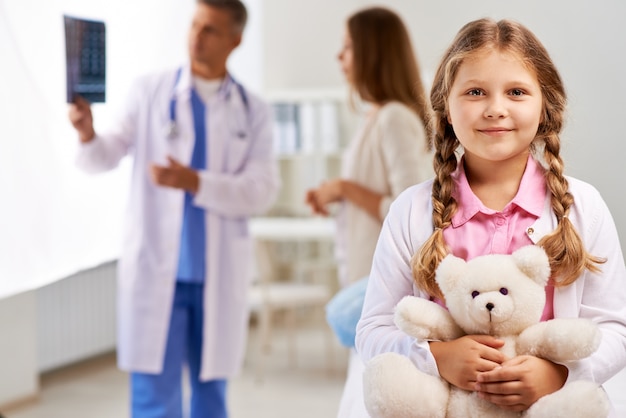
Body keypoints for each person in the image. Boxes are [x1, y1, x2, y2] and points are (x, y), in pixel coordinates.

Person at [356, 17, 626, 416]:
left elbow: (615, 331)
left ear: (545, 106)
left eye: (516, 92)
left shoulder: (584, 207)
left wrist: (557, 375)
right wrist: (438, 357)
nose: (495, 109)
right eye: (475, 92)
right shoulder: (411, 212)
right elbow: (373, 331)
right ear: (446, 108)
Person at [67, 1, 280, 417]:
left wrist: (195, 182)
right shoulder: (149, 91)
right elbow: (104, 156)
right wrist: (88, 134)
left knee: (210, 395)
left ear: (235, 40)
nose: (196, 38)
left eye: (210, 31)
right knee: (153, 397)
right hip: (157, 269)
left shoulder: (253, 111)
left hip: (214, 274)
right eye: (194, 26)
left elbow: (262, 191)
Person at [305, 6, 432, 417]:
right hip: (363, 273)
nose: (340, 57)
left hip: (385, 283)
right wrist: (338, 196)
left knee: (367, 394)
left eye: (347, 47)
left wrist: (345, 188)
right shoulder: (376, 117)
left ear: (372, 52)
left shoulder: (395, 118)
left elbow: (411, 211)